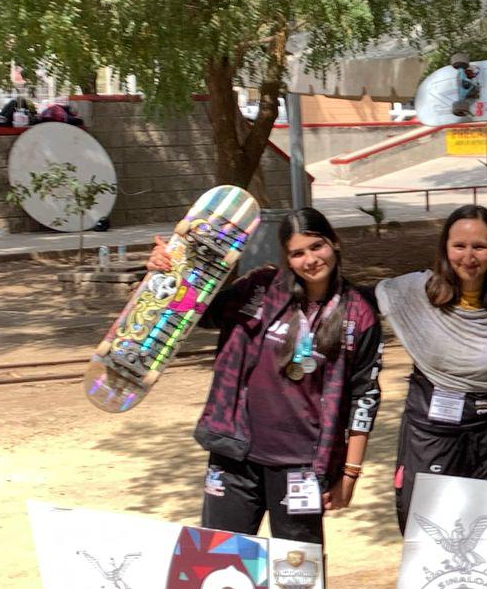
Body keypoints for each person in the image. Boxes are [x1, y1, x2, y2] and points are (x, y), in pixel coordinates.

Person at [148, 208, 383, 544]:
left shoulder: (358, 313)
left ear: (334, 243)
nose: (310, 260)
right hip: (235, 454)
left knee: (298, 576)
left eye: (317, 247)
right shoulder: (260, 288)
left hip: (302, 464)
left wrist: (349, 474)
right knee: (219, 560)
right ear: (287, 259)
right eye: (298, 253)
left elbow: (365, 397)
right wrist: (169, 273)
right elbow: (200, 312)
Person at [376, 204, 487, 531]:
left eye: (479, 246)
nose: (469, 256)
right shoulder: (414, 293)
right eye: (460, 246)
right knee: (427, 534)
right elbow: (354, 303)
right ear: (444, 248)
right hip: (431, 432)